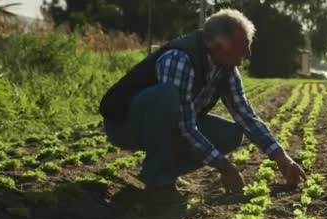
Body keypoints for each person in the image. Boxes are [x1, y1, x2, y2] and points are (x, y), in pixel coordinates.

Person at [99, 9, 306, 202]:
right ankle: (159, 182)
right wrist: (224, 167)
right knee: (166, 95)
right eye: (240, 52)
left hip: (172, 123)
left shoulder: (226, 67)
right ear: (218, 47)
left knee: (231, 134)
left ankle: (164, 171)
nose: (242, 61)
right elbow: (185, 125)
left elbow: (246, 115)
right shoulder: (180, 59)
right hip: (127, 125)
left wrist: (282, 159)